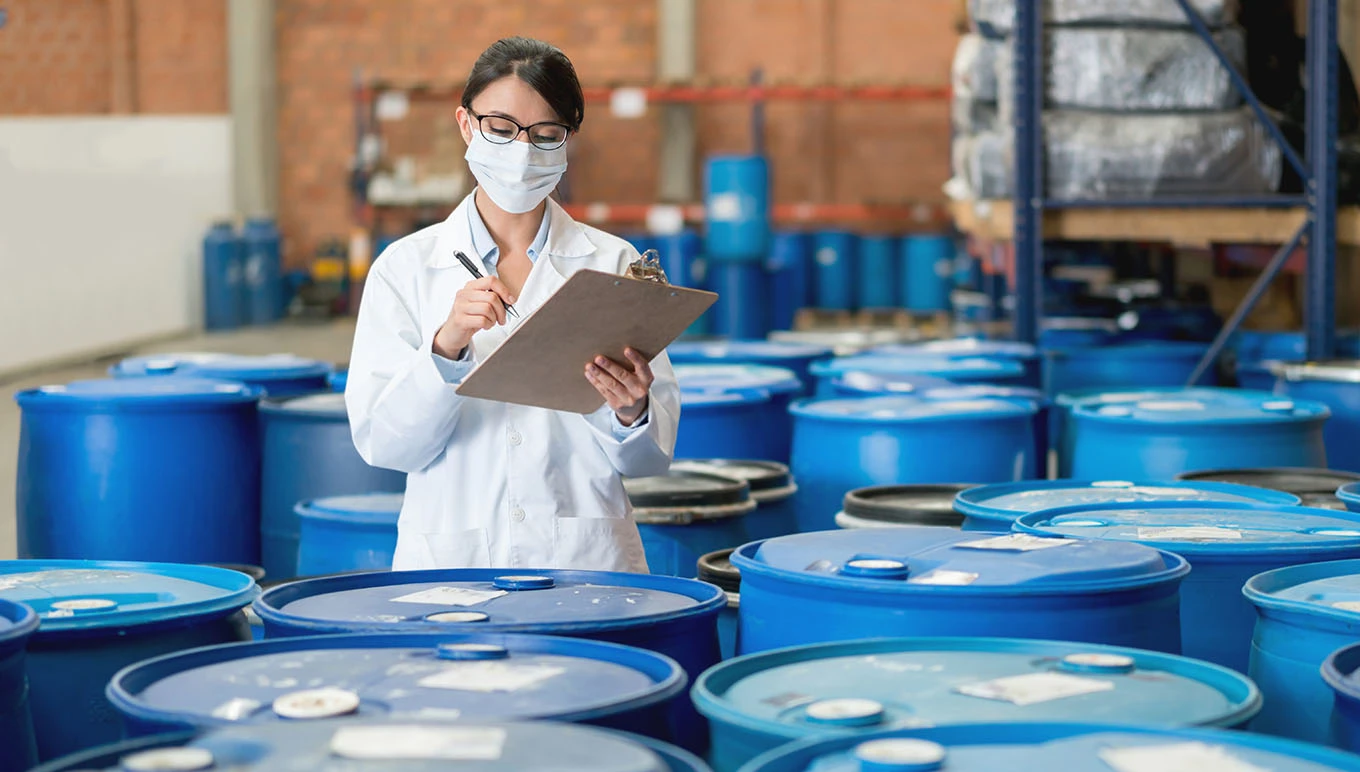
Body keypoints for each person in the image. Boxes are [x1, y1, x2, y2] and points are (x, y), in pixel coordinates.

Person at [346, 37, 679, 573]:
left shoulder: (614, 264)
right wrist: (445, 346)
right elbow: (385, 446)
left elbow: (649, 459)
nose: (521, 153)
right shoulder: (404, 269)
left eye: (546, 136)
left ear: (567, 143)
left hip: (585, 561)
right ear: (465, 124)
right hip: (453, 565)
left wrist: (632, 411)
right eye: (500, 130)